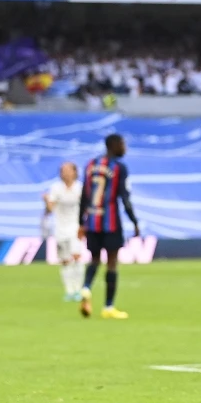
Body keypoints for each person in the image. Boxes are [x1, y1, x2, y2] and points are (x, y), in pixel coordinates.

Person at [78, 134, 139, 320]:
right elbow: (124, 197)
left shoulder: (90, 165)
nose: (125, 148)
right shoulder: (119, 168)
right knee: (112, 263)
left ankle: (86, 287)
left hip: (92, 221)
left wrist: (81, 222)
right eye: (123, 144)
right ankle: (108, 307)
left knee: (94, 259)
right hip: (110, 221)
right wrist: (134, 221)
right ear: (114, 146)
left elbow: (84, 195)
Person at [44, 162, 84, 302]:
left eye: (68, 170)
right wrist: (46, 201)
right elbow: (50, 210)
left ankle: (79, 290)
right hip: (60, 228)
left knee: (77, 256)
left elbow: (86, 207)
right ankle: (69, 291)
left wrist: (84, 225)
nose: (65, 173)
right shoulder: (56, 188)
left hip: (76, 227)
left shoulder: (80, 188)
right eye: (63, 170)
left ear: (74, 172)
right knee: (65, 260)